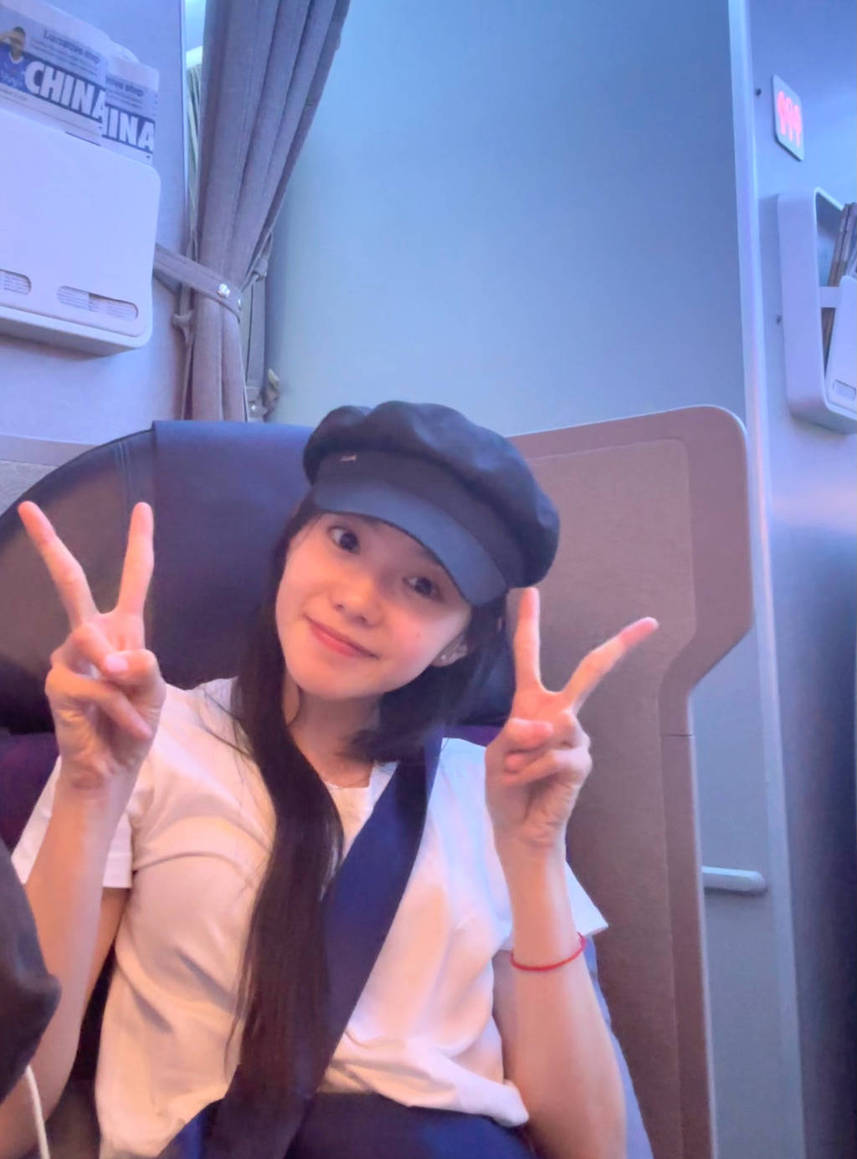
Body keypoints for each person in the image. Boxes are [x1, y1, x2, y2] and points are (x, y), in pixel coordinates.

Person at [1, 402, 657, 1159]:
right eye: (345, 540)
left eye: (422, 585)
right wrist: (90, 791)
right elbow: (15, 1121)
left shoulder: (498, 794)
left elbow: (596, 1145)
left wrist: (535, 853)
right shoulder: (143, 742)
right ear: (293, 541)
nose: (357, 600)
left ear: (459, 644)